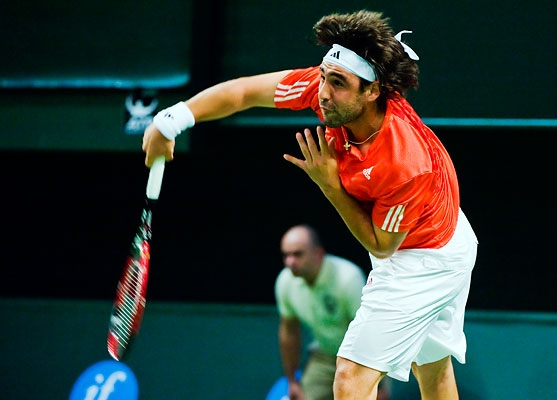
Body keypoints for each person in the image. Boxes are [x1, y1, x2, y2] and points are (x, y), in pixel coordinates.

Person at [143, 9, 478, 400]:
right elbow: (244, 92)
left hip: (423, 258)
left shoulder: (403, 161)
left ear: (372, 91)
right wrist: (171, 120)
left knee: (351, 378)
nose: (323, 92)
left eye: (337, 83)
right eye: (322, 76)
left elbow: (383, 246)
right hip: (444, 232)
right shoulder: (329, 93)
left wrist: (330, 185)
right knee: (433, 369)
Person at [275, 224, 391, 400]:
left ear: (318, 253)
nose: (290, 262)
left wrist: (378, 384)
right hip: (324, 356)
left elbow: (369, 333)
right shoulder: (285, 282)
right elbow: (289, 333)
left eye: (298, 254)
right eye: (286, 255)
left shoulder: (348, 278)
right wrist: (292, 381)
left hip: (359, 359)